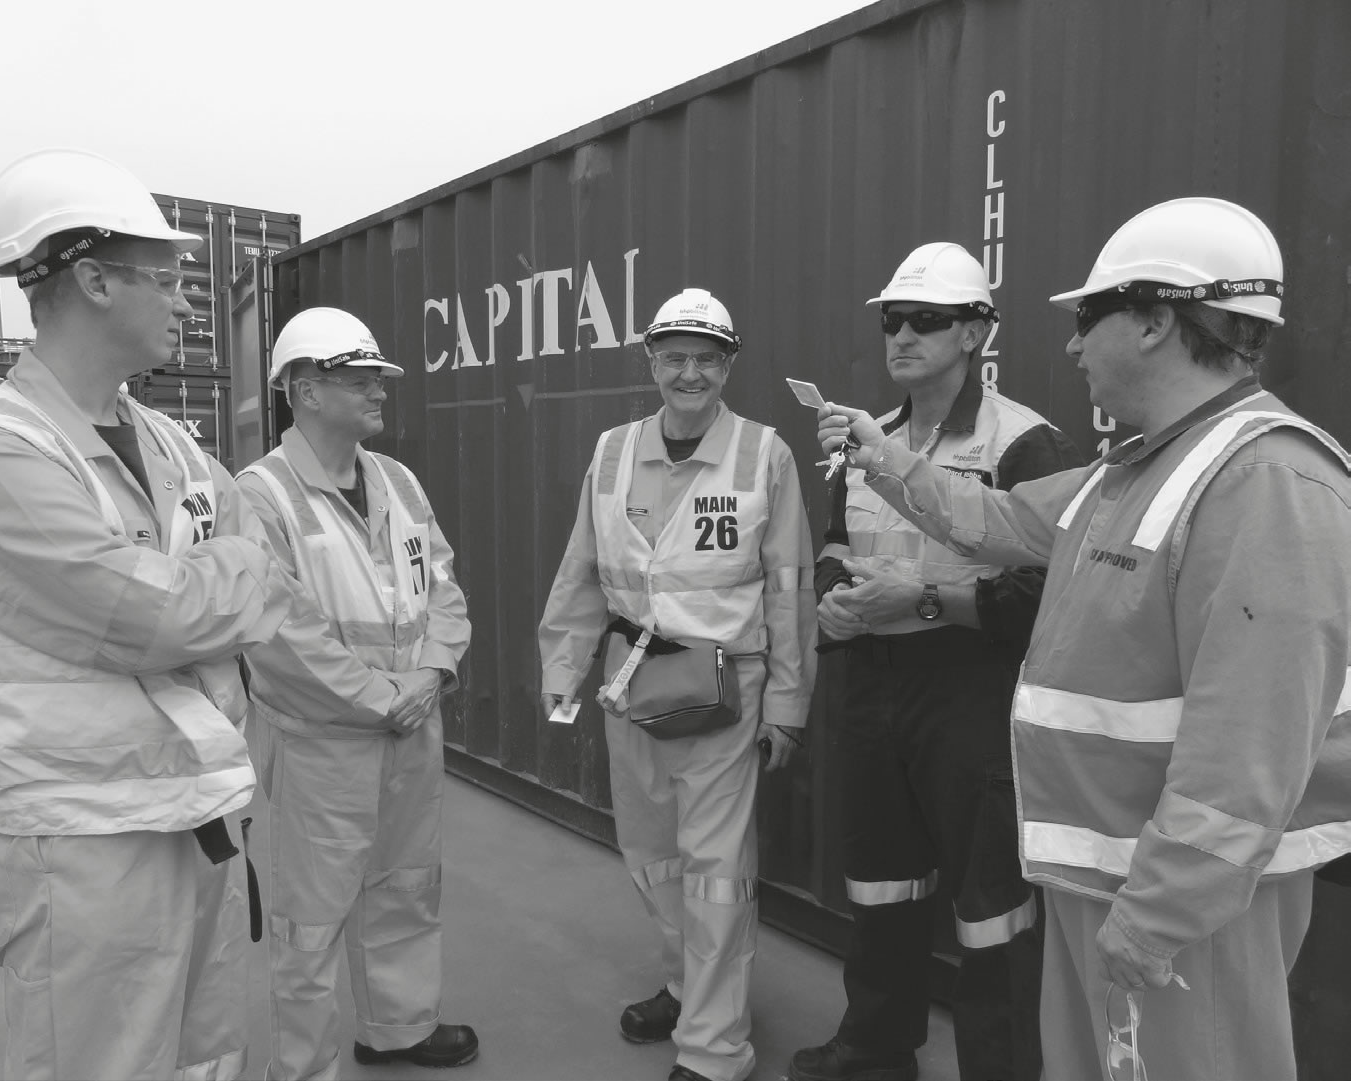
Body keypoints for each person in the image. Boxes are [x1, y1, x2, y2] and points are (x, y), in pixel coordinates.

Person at [816, 197, 1351, 1081]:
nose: (1071, 344)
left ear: (1152, 320)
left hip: (1182, 910)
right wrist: (885, 458)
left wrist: (1158, 915)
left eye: (1087, 318)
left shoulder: (1267, 482)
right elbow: (994, 519)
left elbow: (1249, 749)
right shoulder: (1140, 465)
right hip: (1099, 884)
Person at [0, 148, 294, 1081]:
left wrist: (217, 582)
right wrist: (226, 582)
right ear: (90, 279)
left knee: (206, 1056)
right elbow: (146, 619)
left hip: (190, 812)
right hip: (76, 840)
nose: (187, 302)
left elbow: (262, 560)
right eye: (165, 279)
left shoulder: (165, 437)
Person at [790, 243, 1082, 1081]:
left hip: (970, 695)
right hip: (870, 685)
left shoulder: (1026, 442)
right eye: (893, 319)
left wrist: (921, 603)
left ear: (975, 332)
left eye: (927, 319)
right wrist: (833, 597)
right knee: (881, 882)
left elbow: (1045, 600)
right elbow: (835, 544)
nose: (904, 334)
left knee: (993, 910)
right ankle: (876, 1048)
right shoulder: (864, 440)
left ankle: (1001, 1067)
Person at [539, 288, 818, 1081]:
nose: (688, 373)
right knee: (653, 857)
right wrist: (563, 671)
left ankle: (714, 1048)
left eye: (705, 358)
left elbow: (789, 591)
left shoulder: (764, 454)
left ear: (728, 365)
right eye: (673, 358)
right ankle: (687, 983)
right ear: (650, 363)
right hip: (633, 687)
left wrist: (789, 704)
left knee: (716, 874)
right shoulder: (612, 450)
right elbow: (581, 572)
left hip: (725, 697)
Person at [237, 307, 476, 1080]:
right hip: (322, 743)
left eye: (378, 375)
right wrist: (386, 697)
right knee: (310, 922)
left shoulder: (397, 480)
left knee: (405, 887)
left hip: (409, 725)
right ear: (304, 389)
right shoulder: (261, 495)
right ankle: (303, 1067)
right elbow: (279, 633)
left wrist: (431, 672)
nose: (378, 388)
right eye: (359, 375)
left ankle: (397, 1028)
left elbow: (442, 586)